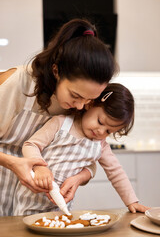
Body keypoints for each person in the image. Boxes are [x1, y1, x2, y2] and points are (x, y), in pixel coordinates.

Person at [0, 18, 118, 216]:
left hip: (34, 199)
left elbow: (88, 154)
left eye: (89, 100)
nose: (81, 106)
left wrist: (79, 178)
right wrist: (12, 163)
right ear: (56, 71)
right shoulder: (19, 82)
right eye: (76, 96)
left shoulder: (81, 105)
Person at [13, 83, 149, 216]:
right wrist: (39, 167)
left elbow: (116, 172)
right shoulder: (61, 123)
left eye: (108, 131)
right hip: (30, 200)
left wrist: (132, 201)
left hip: (60, 206)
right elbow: (31, 145)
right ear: (90, 104)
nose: (101, 131)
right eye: (100, 122)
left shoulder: (100, 145)